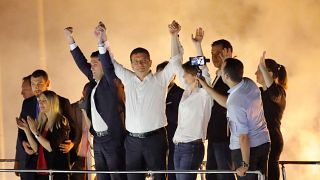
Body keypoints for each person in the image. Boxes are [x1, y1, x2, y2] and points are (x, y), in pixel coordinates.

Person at [95, 21, 181, 180]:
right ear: (131, 64)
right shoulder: (128, 78)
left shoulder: (160, 79)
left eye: (143, 60)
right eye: (136, 61)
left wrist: (174, 36)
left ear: (150, 62)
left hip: (155, 139)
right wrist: (102, 39)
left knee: (159, 177)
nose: (140, 64)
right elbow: (110, 62)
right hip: (132, 140)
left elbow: (175, 61)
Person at [64, 24, 126, 180]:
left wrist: (101, 42)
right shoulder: (95, 81)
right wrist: (70, 39)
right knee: (101, 177)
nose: (90, 68)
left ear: (104, 66)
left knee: (117, 177)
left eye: (95, 64)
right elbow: (81, 63)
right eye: (91, 64)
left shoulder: (112, 82)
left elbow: (107, 63)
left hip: (112, 139)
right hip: (98, 140)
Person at [199, 58, 271, 179]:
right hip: (263, 142)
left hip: (246, 151)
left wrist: (245, 164)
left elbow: (243, 137)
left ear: (226, 76)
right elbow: (228, 102)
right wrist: (206, 86)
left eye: (222, 70)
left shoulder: (235, 103)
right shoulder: (249, 83)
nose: (220, 71)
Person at [169, 22, 213, 180]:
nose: (183, 76)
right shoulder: (188, 89)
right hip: (178, 146)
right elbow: (175, 63)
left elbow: (205, 71)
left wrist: (198, 46)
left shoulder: (204, 93)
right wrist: (173, 36)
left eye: (186, 74)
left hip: (192, 146)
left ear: (195, 76)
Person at [17, 70, 77, 180]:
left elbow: (73, 128)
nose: (36, 87)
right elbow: (24, 133)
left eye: (39, 83)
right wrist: (25, 137)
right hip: (35, 160)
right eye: (33, 84)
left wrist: (72, 143)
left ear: (47, 83)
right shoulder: (29, 105)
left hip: (55, 162)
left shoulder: (62, 104)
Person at [192, 32, 235, 180]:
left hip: (224, 135)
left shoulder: (232, 74)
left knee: (224, 174)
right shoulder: (217, 74)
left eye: (219, 53)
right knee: (212, 173)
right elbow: (202, 67)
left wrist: (228, 64)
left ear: (228, 52)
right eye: (213, 53)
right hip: (213, 134)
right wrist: (197, 45)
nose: (215, 56)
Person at [255, 52, 287, 180]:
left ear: (270, 74)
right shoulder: (259, 92)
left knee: (270, 172)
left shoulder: (279, 91)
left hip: (272, 138)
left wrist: (262, 67)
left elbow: (273, 93)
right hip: (260, 139)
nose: (255, 73)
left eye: (259, 70)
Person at [156, 61, 183, 180]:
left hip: (174, 139)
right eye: (159, 75)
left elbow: (180, 118)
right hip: (156, 139)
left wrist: (163, 105)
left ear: (174, 76)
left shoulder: (181, 93)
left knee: (173, 172)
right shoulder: (154, 93)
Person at [70, 82, 91, 180]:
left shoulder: (101, 108)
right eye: (87, 93)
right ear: (83, 92)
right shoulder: (72, 108)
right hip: (77, 153)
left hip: (94, 155)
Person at [14, 75, 34, 178]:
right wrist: (18, 160)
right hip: (25, 163)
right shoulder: (26, 104)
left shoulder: (51, 103)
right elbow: (20, 134)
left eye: (24, 89)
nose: (22, 93)